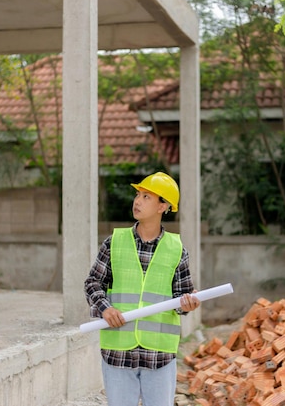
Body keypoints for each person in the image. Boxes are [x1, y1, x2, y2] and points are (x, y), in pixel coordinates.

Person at [84, 171, 200, 406]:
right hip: (118, 351)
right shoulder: (114, 242)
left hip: (159, 355)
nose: (137, 201)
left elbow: (182, 298)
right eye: (138, 194)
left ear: (163, 206)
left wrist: (188, 303)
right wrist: (106, 309)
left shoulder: (177, 249)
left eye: (147, 196)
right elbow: (93, 284)